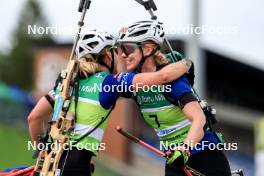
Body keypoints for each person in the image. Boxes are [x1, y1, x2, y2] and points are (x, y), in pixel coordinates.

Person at [27, 29, 191, 176]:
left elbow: (33, 118)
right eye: (115, 51)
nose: (120, 55)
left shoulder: (66, 82)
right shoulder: (109, 83)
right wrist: (186, 63)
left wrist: (43, 151)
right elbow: (161, 77)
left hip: (48, 165)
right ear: (107, 55)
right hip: (76, 166)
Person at [117, 20, 231, 176]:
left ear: (148, 49)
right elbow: (114, 79)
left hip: (204, 156)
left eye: (128, 48)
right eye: (121, 49)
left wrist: (184, 150)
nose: (123, 54)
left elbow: (199, 119)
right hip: (174, 160)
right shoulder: (133, 83)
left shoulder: (174, 81)